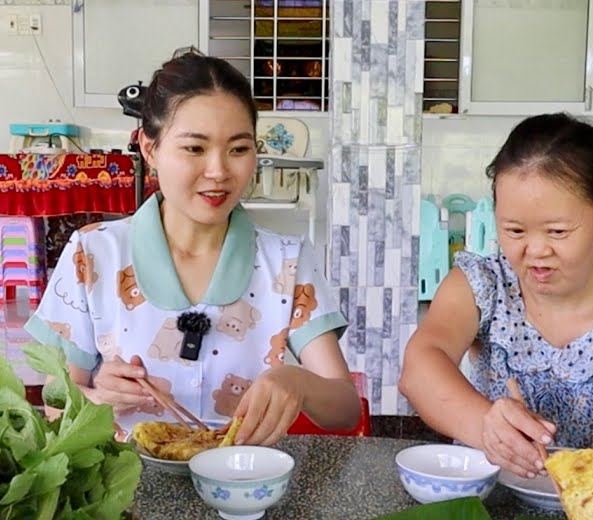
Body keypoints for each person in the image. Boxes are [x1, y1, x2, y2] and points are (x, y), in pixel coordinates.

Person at [26, 50, 360, 445]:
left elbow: (345, 410)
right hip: (123, 485)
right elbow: (56, 405)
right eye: (194, 149)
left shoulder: (286, 261)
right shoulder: (93, 255)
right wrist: (99, 397)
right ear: (150, 150)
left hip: (240, 486)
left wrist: (298, 382)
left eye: (238, 149)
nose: (218, 171)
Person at [399, 113, 593, 507]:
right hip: (488, 517)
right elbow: (421, 365)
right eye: (515, 231)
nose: (535, 251)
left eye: (557, 232)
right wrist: (485, 426)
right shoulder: (482, 284)